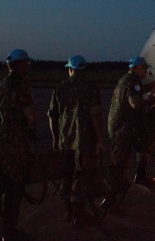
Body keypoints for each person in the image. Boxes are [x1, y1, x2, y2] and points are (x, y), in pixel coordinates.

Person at [102, 56, 155, 211]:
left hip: (125, 127)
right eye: (145, 68)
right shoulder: (132, 81)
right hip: (123, 130)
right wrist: (152, 101)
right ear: (138, 67)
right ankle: (109, 200)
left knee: (142, 148)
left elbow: (143, 89)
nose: (147, 71)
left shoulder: (129, 80)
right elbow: (136, 103)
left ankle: (140, 176)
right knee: (120, 164)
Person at [48, 55, 106, 227]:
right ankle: (77, 215)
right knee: (81, 176)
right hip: (85, 141)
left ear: (70, 69)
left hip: (65, 142)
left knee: (67, 175)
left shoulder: (61, 87)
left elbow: (52, 116)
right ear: (83, 69)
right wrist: (100, 139)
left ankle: (68, 211)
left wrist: (55, 139)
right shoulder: (91, 87)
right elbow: (95, 114)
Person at [0, 49, 36, 241]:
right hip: (14, 143)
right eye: (26, 63)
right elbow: (31, 116)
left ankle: (3, 227)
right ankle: (8, 231)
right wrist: (31, 133)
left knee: (2, 185)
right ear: (19, 64)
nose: (28, 66)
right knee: (15, 186)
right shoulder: (21, 86)